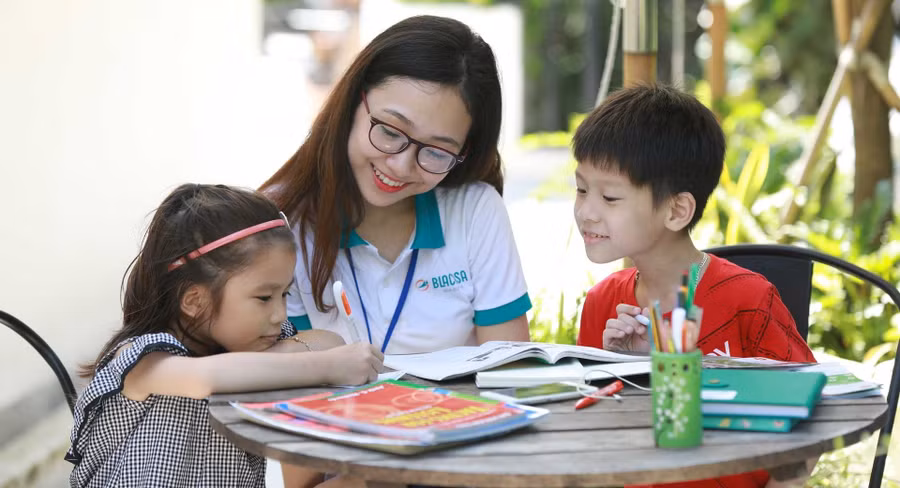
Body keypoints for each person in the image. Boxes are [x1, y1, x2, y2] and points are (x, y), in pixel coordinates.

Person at [572, 84, 815, 488]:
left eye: (609, 197)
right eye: (581, 189)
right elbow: (595, 434)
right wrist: (625, 370)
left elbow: (809, 426)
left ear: (676, 209)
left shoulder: (746, 299)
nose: (586, 212)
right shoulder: (603, 304)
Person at [66, 184, 382, 488]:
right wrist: (325, 366)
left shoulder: (252, 344)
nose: (279, 314)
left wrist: (287, 362)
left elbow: (327, 342)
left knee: (374, 480)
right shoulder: (142, 358)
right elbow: (204, 379)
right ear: (195, 301)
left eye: (284, 294)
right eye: (264, 298)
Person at [260, 15, 532, 355]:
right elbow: (278, 368)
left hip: (454, 410)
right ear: (352, 102)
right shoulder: (283, 222)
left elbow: (508, 367)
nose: (401, 166)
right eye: (390, 132)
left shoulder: (474, 209)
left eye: (436, 151)